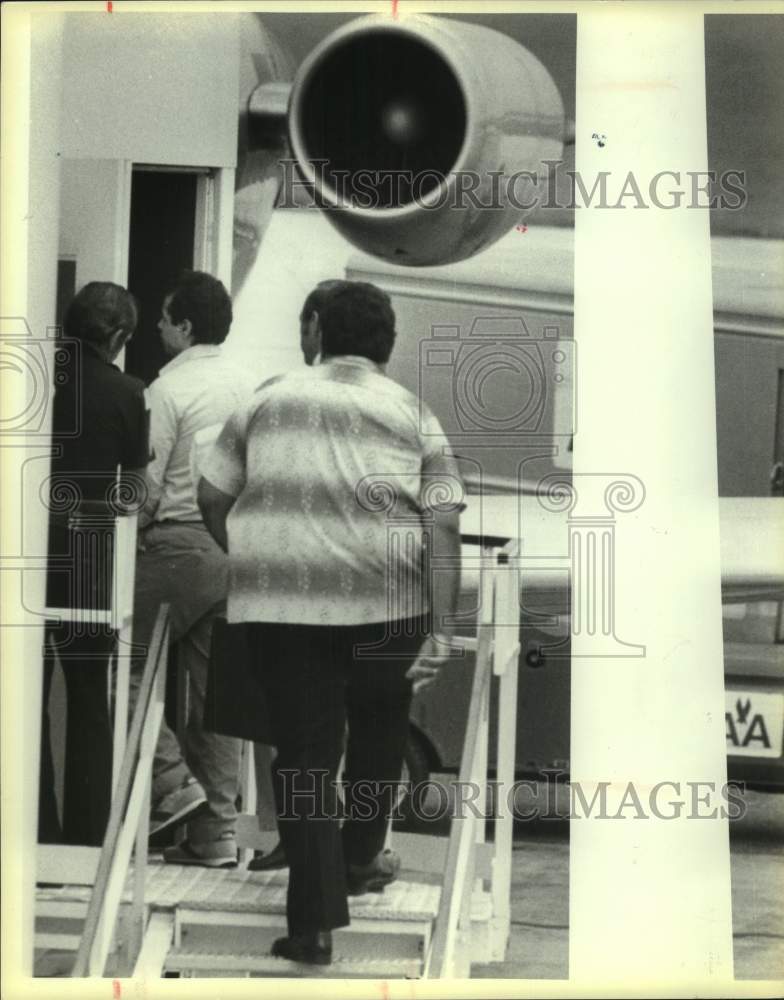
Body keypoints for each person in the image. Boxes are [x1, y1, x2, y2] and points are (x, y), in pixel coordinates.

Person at [198, 280, 463, 964]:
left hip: (284, 613)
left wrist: (257, 554)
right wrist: (443, 625)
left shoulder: (267, 399)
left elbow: (211, 493)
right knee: (379, 730)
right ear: (386, 345)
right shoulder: (414, 414)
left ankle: (314, 923)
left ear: (317, 329)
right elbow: (442, 524)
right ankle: (360, 857)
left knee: (306, 756)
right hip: (389, 608)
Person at [130, 270, 254, 868]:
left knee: (112, 663)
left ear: (183, 328)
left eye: (163, 317)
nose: (156, 327)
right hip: (236, 550)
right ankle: (216, 836)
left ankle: (173, 782)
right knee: (217, 701)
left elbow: (146, 488)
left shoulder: (165, 391)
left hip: (177, 546)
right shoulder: (247, 387)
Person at [40, 281, 148, 846]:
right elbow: (132, 493)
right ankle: (85, 837)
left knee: (26, 694)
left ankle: (34, 827)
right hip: (88, 556)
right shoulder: (128, 392)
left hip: (28, 553)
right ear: (119, 336)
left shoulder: (33, 378)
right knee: (88, 696)